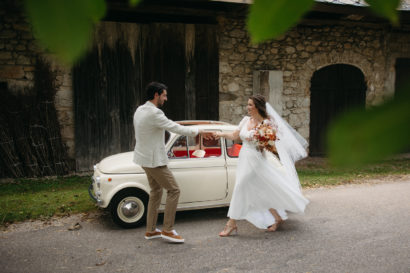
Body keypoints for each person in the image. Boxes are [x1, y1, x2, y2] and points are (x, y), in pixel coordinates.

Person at [214, 94, 309, 236]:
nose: (248, 107)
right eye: (248, 104)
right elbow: (235, 135)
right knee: (262, 189)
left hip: (257, 159)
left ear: (258, 107)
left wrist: (262, 142)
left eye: (250, 105)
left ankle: (231, 224)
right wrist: (220, 135)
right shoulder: (246, 120)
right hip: (244, 158)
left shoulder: (266, 124)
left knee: (240, 187)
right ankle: (277, 218)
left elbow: (271, 144)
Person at [133, 81, 209, 243]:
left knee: (156, 192)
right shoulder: (155, 113)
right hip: (154, 161)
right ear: (156, 95)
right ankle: (167, 229)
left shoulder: (140, 110)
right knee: (174, 190)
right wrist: (198, 130)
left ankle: (151, 230)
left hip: (143, 159)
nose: (166, 99)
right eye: (164, 95)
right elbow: (176, 128)